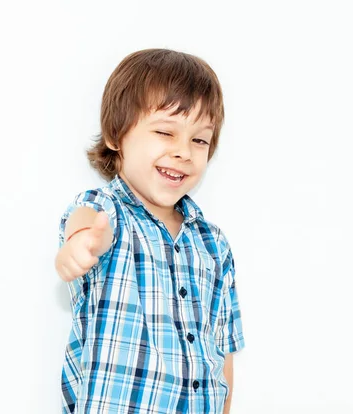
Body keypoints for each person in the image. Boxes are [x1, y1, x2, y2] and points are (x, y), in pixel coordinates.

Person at [55, 48, 246, 414]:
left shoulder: (214, 244)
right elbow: (83, 223)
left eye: (199, 140)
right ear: (116, 134)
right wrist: (79, 247)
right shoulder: (106, 211)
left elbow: (222, 352)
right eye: (164, 132)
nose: (183, 152)